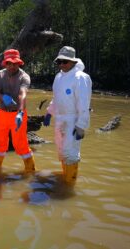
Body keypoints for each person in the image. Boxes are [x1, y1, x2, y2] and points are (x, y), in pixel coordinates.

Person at [43, 46, 92, 185]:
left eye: (65, 61)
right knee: (62, 152)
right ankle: (65, 178)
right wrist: (49, 112)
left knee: (71, 154)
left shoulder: (81, 78)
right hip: (60, 120)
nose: (61, 65)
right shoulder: (58, 77)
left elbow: (84, 104)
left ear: (73, 62)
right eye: (59, 62)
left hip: (73, 120)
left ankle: (69, 186)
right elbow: (56, 98)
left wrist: (81, 126)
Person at [0, 49, 35, 175]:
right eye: (9, 63)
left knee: (21, 144)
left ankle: (30, 173)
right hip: (2, 113)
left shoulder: (24, 76)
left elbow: (22, 94)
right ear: (5, 63)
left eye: (14, 63)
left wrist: (20, 112)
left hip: (18, 114)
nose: (11, 66)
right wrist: (2, 97)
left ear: (19, 63)